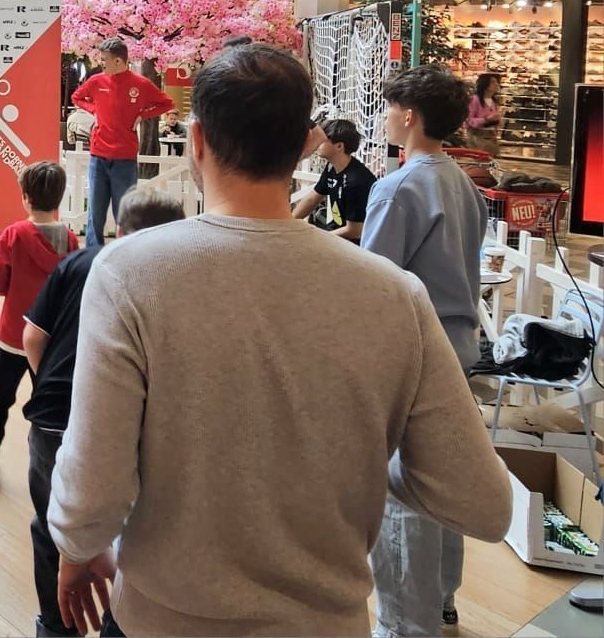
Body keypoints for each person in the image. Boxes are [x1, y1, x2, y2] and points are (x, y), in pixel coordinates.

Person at [47, 44, 512, 638]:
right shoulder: (394, 295)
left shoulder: (130, 272)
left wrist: (75, 544)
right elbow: (484, 504)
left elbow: (93, 487)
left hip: (164, 618)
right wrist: (366, 456)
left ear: (196, 141)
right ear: (301, 147)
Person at [362, 65, 490, 637]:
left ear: (409, 115)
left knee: (405, 489)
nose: (387, 116)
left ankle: (404, 622)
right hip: (460, 346)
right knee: (445, 475)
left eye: (391, 107)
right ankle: (441, 600)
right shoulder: (464, 183)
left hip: (414, 351)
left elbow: (376, 285)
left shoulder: (398, 187)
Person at [25, 185, 185, 638]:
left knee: (51, 524)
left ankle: (55, 628)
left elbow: (32, 338)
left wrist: (57, 390)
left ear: (119, 227)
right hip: (119, 422)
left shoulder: (79, 262)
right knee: (127, 527)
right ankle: (118, 621)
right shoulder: (169, 278)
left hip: (49, 419)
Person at [0, 162, 77, 486]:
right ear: (59, 199)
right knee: (49, 405)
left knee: (0, 397)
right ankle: (50, 468)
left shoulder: (13, 235)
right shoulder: (69, 239)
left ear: (25, 198)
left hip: (12, 335)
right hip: (52, 340)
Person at [71, 38, 173, 247]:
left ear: (119, 61)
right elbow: (77, 97)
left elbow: (167, 103)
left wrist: (143, 115)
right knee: (95, 212)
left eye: (105, 60)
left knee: (124, 210)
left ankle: (123, 250)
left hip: (125, 158)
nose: (102, 64)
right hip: (98, 155)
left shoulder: (141, 84)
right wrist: (94, 110)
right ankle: (93, 253)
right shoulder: (96, 81)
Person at [290, 117, 375, 242]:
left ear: (339, 146)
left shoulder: (356, 181)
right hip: (337, 230)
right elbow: (313, 198)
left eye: (324, 140)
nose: (318, 143)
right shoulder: (331, 167)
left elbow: (355, 231)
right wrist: (289, 222)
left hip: (357, 243)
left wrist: (319, 238)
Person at [466, 72, 503, 155]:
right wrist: (486, 119)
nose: (496, 85)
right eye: (493, 82)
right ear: (485, 85)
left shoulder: (494, 101)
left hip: (491, 136)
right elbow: (469, 120)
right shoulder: (475, 100)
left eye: (497, 82)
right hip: (477, 137)